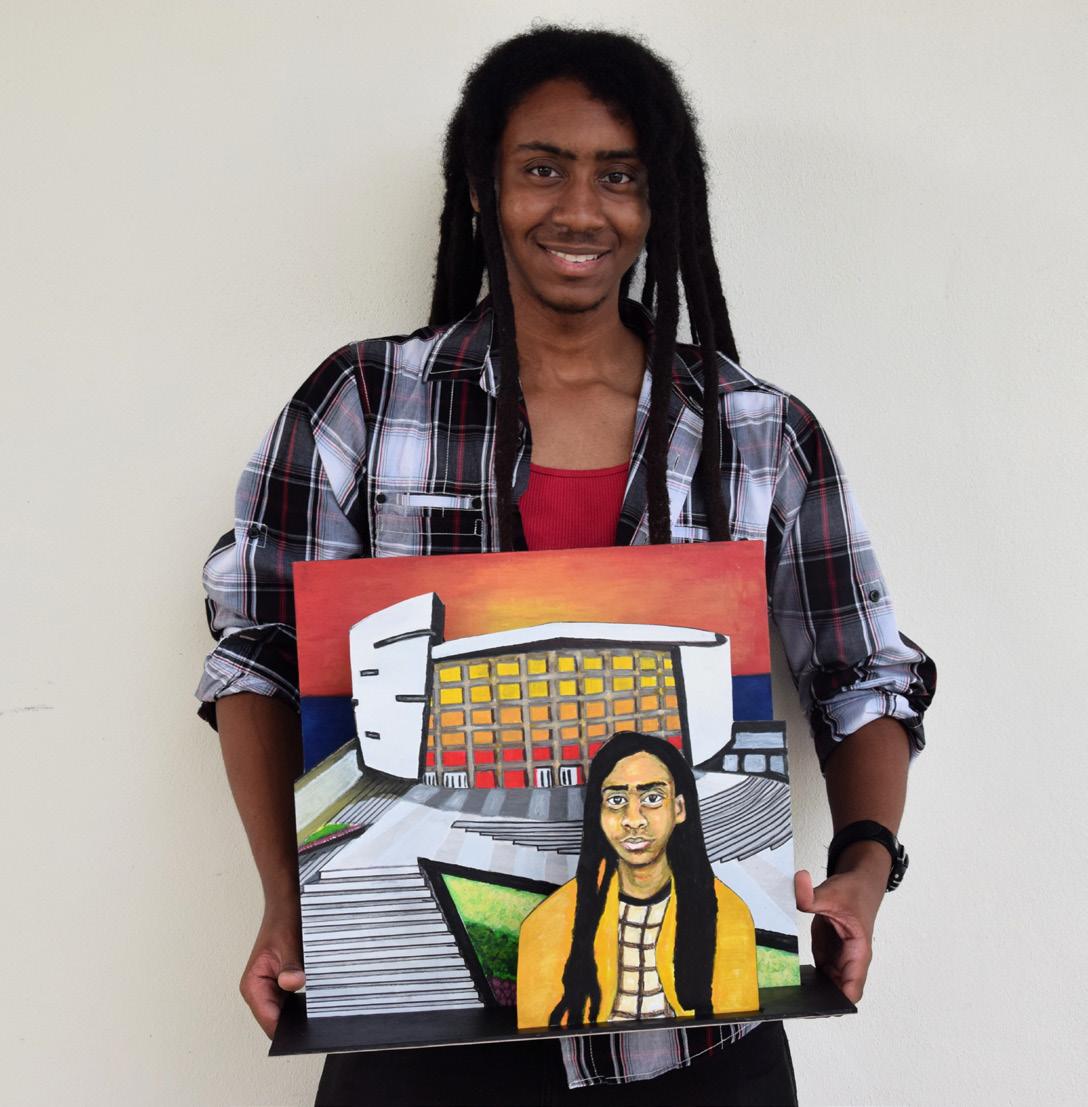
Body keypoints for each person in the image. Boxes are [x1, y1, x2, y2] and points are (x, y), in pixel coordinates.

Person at [197, 25, 936, 1105]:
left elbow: (862, 672)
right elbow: (258, 658)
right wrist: (287, 896)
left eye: (618, 176)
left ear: (658, 201)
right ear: (481, 191)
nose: (581, 210)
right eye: (542, 169)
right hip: (420, 1042)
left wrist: (863, 868)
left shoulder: (758, 430)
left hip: (698, 1047)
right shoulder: (360, 404)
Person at [517, 732, 759, 1031]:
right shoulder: (547, 925)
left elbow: (736, 1029)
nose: (633, 819)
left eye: (652, 798)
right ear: (598, 812)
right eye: (616, 800)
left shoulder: (729, 916)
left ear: (679, 808)